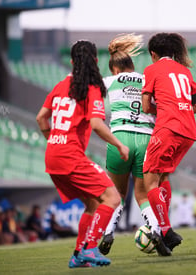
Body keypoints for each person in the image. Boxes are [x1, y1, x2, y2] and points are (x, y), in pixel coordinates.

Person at [36, 40, 129, 268]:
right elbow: (96, 124)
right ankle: (89, 248)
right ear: (96, 61)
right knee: (113, 198)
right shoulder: (91, 87)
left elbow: (40, 118)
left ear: (71, 61)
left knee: (93, 203)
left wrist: (55, 140)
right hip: (69, 157)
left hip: (52, 156)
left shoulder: (60, 85)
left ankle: (79, 254)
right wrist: (119, 144)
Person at [98, 34, 162, 256]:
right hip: (145, 139)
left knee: (115, 193)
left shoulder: (108, 81)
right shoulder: (146, 79)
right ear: (132, 65)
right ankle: (155, 229)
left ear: (115, 69)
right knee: (142, 194)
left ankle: (108, 232)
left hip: (120, 138)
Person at [142, 32, 196, 256]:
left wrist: (165, 108)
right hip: (188, 131)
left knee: (149, 180)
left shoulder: (152, 70)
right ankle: (165, 233)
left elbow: (146, 107)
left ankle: (166, 231)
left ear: (153, 54)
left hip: (168, 128)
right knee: (163, 177)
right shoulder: (184, 71)